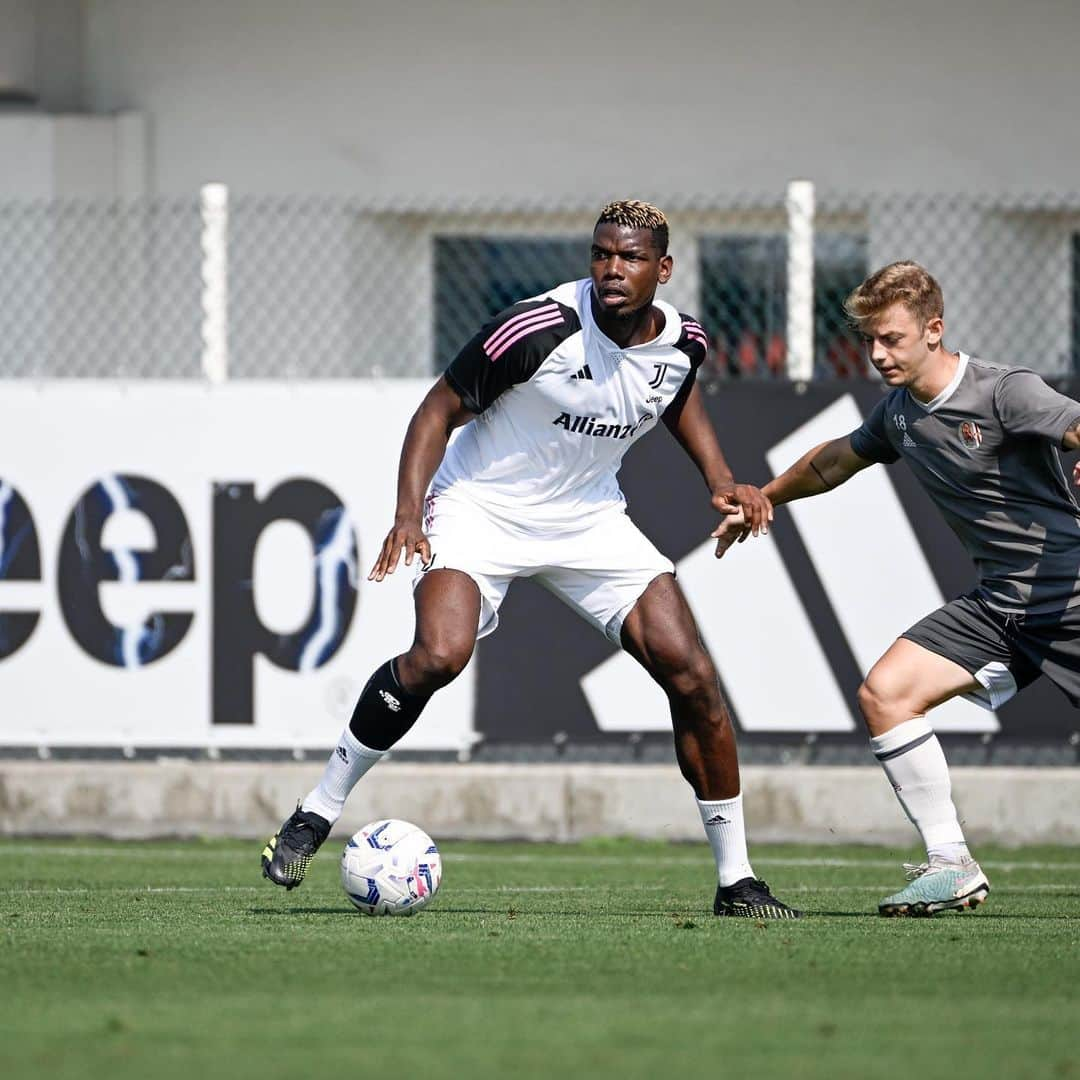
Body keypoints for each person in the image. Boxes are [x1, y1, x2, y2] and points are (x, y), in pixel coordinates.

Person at [262, 200, 800, 918]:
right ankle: (317, 810)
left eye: (631, 257)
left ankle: (737, 881)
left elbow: (675, 394)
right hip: (480, 508)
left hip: (588, 520)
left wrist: (720, 480)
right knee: (438, 656)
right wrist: (405, 514)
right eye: (602, 254)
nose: (613, 269)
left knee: (694, 676)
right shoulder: (538, 327)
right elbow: (436, 410)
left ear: (662, 269)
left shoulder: (684, 341)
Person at [713, 260, 1080, 916]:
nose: (877, 354)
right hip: (1001, 607)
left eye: (891, 339)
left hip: (1070, 595)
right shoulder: (899, 415)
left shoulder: (1004, 392)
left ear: (934, 330)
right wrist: (763, 499)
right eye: (870, 342)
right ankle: (951, 863)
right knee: (885, 694)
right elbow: (832, 462)